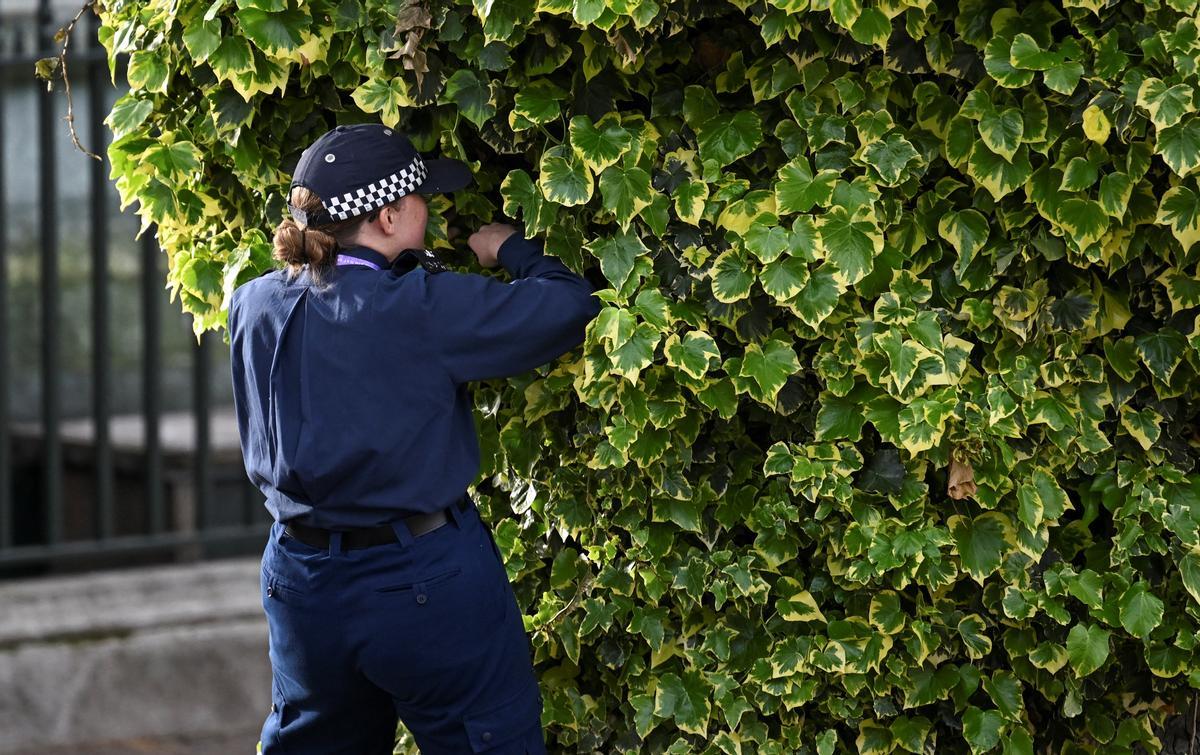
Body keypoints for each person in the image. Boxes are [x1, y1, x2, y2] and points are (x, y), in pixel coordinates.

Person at [226, 122, 602, 754]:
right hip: (419, 578)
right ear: (391, 216)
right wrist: (511, 249)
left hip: (299, 580)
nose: (434, 208)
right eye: (424, 197)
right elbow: (569, 306)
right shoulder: (418, 306)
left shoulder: (250, 304)